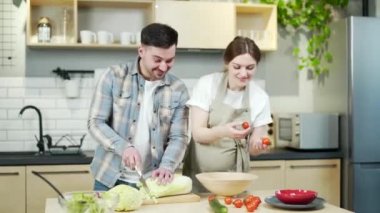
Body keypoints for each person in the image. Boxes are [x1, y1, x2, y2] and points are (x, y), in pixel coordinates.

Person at [88, 23, 190, 191]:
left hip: (152, 183)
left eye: (170, 60)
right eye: (157, 60)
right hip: (108, 178)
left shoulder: (178, 89)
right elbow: (95, 122)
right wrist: (124, 147)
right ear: (141, 51)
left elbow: (179, 137)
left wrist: (167, 166)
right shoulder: (114, 76)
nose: (163, 67)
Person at [182, 36, 272, 192]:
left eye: (250, 68)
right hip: (200, 177)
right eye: (237, 67)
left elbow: (253, 147)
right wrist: (224, 131)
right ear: (227, 62)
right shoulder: (207, 84)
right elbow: (198, 134)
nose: (243, 73)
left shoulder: (260, 97)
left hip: (236, 179)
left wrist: (259, 146)